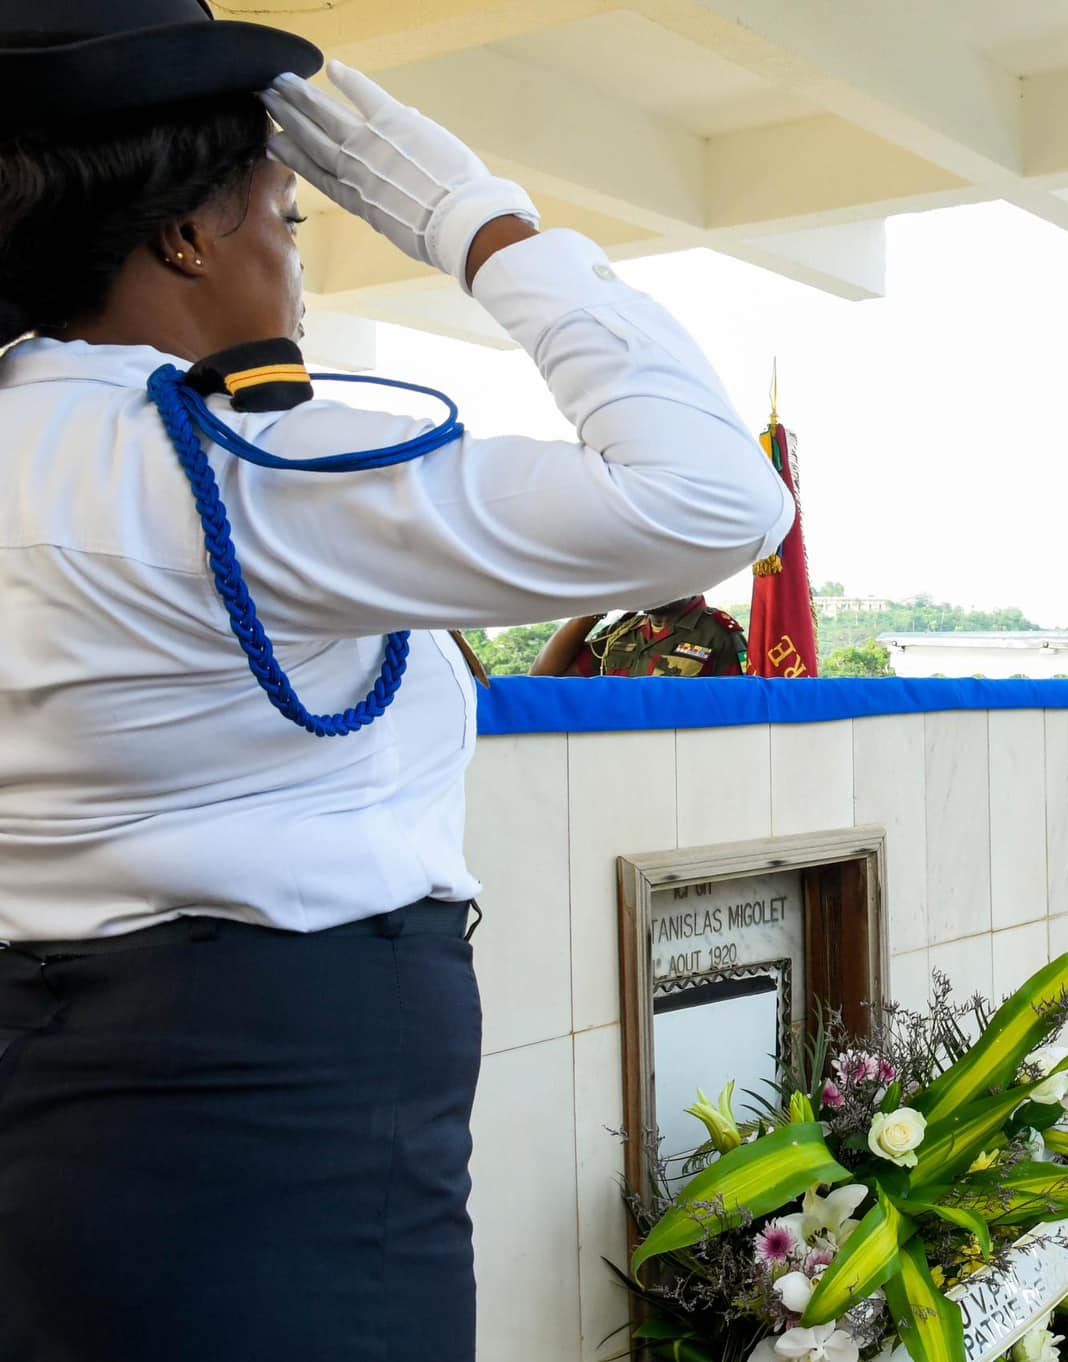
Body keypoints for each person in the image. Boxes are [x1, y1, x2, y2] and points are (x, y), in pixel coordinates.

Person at [0, 9, 792, 1359]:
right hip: (278, 1115)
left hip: (54, 1087)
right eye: (288, 219)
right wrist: (478, 223)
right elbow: (714, 498)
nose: (295, 269)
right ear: (187, 236)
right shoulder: (238, 475)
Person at [530, 595, 748, 677]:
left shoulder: (719, 633)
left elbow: (739, 707)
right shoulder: (622, 632)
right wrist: (595, 608)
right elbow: (544, 677)